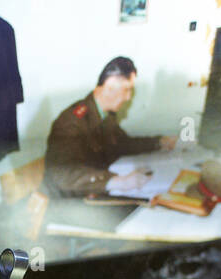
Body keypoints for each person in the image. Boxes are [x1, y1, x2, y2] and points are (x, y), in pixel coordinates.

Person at [41, 57, 177, 198]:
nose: (128, 97)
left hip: (94, 192)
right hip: (73, 202)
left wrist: (158, 142)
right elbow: (62, 175)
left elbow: (123, 144)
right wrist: (117, 182)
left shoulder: (104, 114)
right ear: (110, 85)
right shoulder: (71, 121)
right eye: (126, 90)